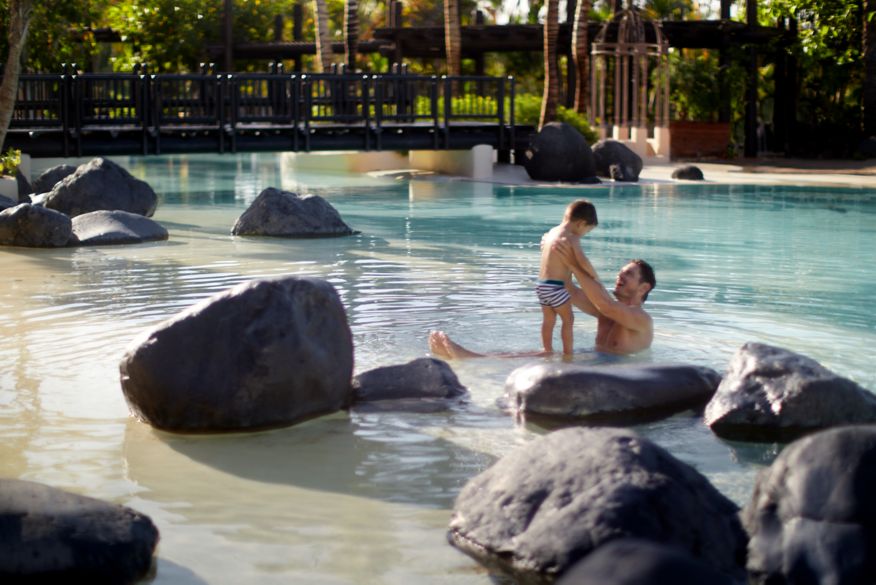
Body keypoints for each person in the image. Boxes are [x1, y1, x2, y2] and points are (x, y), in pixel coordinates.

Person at [429, 255, 655, 358]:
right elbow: (571, 290)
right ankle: (474, 357)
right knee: (544, 354)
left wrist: (576, 265)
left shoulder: (641, 319)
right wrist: (558, 256)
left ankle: (472, 358)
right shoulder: (607, 312)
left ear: (643, 287)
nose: (620, 276)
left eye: (628, 274)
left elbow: (605, 305)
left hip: (617, 372)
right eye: (620, 272)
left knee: (549, 357)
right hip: (594, 361)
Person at [536, 199, 599, 355]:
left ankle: (547, 349)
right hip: (556, 287)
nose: (584, 234)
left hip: (542, 286)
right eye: (587, 231)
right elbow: (583, 261)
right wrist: (594, 276)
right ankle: (568, 354)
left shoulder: (551, 233)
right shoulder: (572, 238)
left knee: (549, 320)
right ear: (581, 224)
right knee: (568, 319)